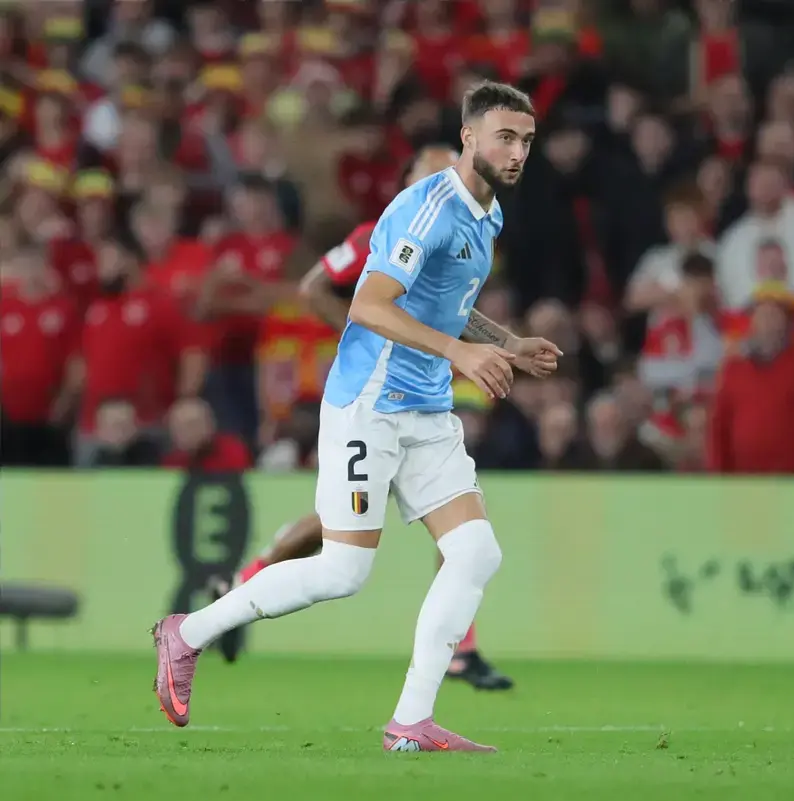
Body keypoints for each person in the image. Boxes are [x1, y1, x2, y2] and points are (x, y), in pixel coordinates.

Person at [151, 82, 561, 753]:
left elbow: (447, 303)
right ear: (469, 137)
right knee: (343, 571)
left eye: (526, 141)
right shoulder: (426, 209)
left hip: (427, 407)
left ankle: (410, 722)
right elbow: (369, 305)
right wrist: (461, 352)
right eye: (505, 138)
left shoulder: (486, 214)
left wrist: (507, 341)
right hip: (370, 403)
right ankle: (186, 633)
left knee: (476, 552)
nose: (517, 152)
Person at [208, 144, 514, 690]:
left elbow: (457, 309)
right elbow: (316, 289)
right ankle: (234, 593)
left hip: (422, 395)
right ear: (409, 181)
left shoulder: (465, 232)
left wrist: (507, 344)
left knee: (455, 525)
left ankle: (457, 654)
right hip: (370, 397)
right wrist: (366, 340)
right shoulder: (379, 232)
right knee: (343, 537)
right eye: (432, 174)